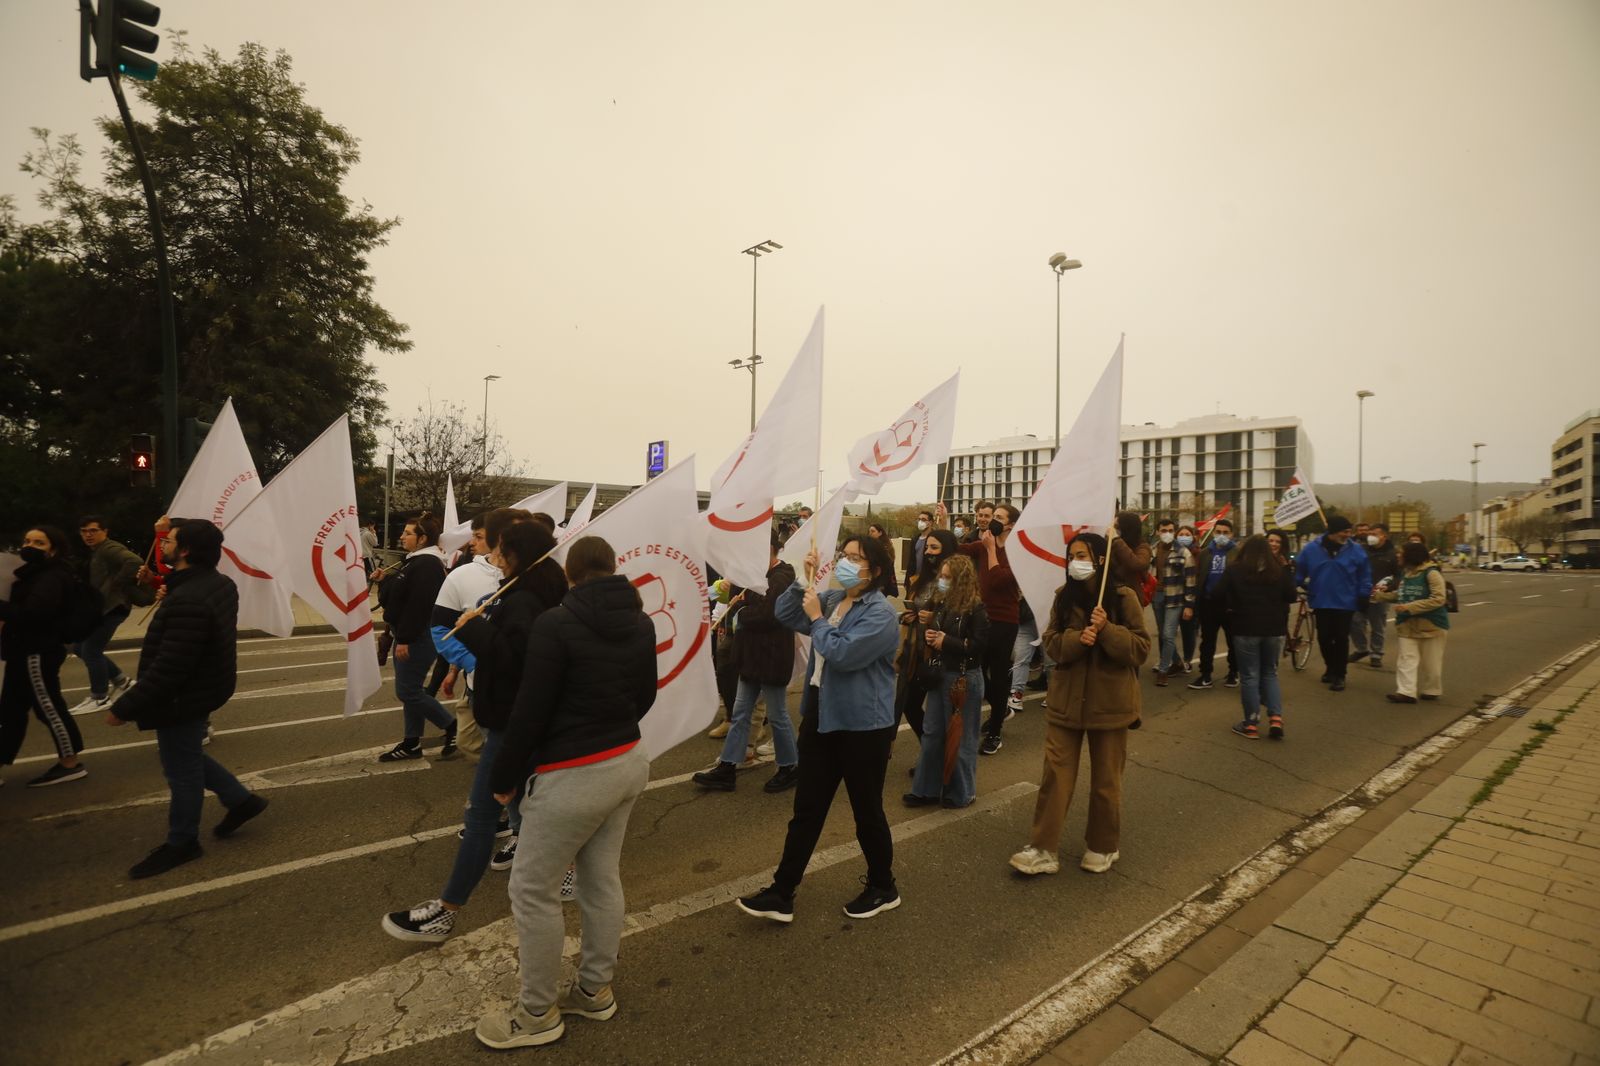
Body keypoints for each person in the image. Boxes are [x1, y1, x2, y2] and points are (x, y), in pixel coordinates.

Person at [474, 536, 656, 1049]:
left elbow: (529, 711)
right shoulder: (640, 621)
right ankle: (595, 990)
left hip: (573, 771)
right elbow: (645, 694)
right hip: (627, 759)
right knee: (601, 880)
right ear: (613, 568)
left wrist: (503, 778)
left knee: (532, 890)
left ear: (571, 574)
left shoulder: (555, 624)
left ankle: (536, 1013)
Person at [383, 520, 568, 943]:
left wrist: (475, 627)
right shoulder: (533, 592)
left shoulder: (524, 601)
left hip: (510, 723)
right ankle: (565, 873)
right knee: (530, 809)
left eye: (500, 550)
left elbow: (514, 663)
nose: (493, 557)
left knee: (482, 816)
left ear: (517, 555)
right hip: (514, 720)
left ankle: (446, 911)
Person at [736, 534, 901, 924]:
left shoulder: (881, 614)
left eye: (855, 559)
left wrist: (815, 619)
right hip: (822, 718)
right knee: (807, 810)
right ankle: (782, 891)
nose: (845, 563)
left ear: (875, 570)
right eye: (843, 556)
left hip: (863, 728)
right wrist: (801, 581)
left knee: (867, 812)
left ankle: (883, 885)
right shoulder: (832, 600)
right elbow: (786, 614)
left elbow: (842, 654)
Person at [106, 519, 268, 879]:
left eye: (171, 540)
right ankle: (242, 801)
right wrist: (167, 587)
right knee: (188, 754)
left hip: (183, 695)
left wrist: (125, 706)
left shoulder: (189, 598)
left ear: (186, 551)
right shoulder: (217, 585)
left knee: (181, 771)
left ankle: (183, 842)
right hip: (205, 687)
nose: (163, 544)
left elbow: (170, 666)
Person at [1010, 532, 1149, 876]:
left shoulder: (1122, 596)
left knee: (1106, 781)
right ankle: (1043, 848)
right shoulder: (1062, 597)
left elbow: (1140, 649)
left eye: (1083, 555)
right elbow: (1053, 645)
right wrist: (1078, 638)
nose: (1076, 562)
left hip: (1110, 705)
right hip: (1066, 703)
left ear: (1100, 559)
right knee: (1055, 776)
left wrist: (1106, 630)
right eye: (1072, 555)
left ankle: (1103, 845)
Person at [693, 532, 801, 793]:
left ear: (771, 550)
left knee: (777, 715)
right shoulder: (752, 575)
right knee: (740, 713)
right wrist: (736, 602)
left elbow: (768, 614)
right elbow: (739, 604)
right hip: (750, 656)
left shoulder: (782, 576)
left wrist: (740, 612)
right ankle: (728, 766)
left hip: (772, 657)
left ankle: (789, 766)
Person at [0, 525, 89, 787]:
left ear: (54, 550)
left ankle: (70, 763)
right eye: (27, 540)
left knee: (48, 708)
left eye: (39, 543)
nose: (29, 546)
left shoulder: (52, 577)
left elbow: (33, 615)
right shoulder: (33, 574)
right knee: (10, 711)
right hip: (22, 651)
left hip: (36, 653)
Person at [905, 554, 988, 808]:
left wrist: (946, 641)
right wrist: (930, 632)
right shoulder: (942, 603)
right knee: (932, 734)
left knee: (961, 738)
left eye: (947, 577)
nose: (941, 580)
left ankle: (961, 792)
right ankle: (926, 789)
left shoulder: (976, 608)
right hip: (940, 675)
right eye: (941, 575)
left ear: (961, 580)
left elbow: (979, 645)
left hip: (963, 679)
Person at [950, 502, 1022, 755]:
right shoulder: (981, 546)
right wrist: (939, 525)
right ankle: (1000, 709)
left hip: (1005, 620)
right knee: (977, 667)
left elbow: (998, 580)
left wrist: (992, 549)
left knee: (999, 673)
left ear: (1010, 524)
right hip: (980, 617)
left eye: (999, 517)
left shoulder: (1017, 551)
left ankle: (995, 733)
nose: (993, 520)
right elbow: (956, 549)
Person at [1215, 536, 1297, 739]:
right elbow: (1292, 596)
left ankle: (1250, 723)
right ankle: (1276, 718)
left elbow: (1216, 593)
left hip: (1245, 627)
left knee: (1250, 676)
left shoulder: (1235, 570)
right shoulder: (1279, 570)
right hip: (1274, 629)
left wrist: (1231, 605)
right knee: (1270, 673)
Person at [68, 514, 141, 712]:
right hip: (103, 609)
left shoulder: (109, 548)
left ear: (104, 532)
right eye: (84, 531)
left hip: (112, 608)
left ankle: (99, 697)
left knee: (91, 650)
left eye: (93, 530)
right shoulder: (97, 551)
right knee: (80, 648)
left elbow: (134, 561)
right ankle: (122, 682)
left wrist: (115, 585)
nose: (88, 535)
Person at [1294, 515, 1372, 692]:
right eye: (1344, 532)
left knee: (1341, 638)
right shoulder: (1311, 549)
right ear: (1333, 532)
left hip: (1346, 603)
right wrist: (1294, 584)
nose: (1347, 535)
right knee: (1324, 638)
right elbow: (1299, 572)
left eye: (1349, 531)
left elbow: (1365, 575)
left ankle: (1340, 675)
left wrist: (1363, 595)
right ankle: (1330, 667)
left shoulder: (1356, 550)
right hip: (1321, 601)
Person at [895, 529, 958, 740]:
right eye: (927, 547)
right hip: (916, 654)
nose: (929, 552)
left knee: (940, 713)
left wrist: (935, 618)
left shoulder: (955, 581)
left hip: (941, 657)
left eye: (935, 548)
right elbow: (914, 607)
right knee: (909, 705)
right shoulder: (919, 579)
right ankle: (930, 750)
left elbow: (962, 618)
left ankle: (940, 759)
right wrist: (907, 616)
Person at [1376, 541, 1450, 704]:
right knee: (1406, 658)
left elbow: (1438, 599)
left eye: (1401, 552)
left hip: (1431, 624)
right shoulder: (1407, 574)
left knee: (1431, 662)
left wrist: (1410, 607)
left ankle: (1432, 690)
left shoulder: (1432, 573)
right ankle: (1406, 692)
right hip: (1407, 624)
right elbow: (1400, 595)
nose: (1398, 555)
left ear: (1411, 555)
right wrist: (1378, 596)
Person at [1187, 517, 1239, 690]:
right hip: (1209, 603)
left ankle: (1233, 673)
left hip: (1231, 605)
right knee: (1207, 641)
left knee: (1233, 641)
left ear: (1232, 534)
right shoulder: (1205, 553)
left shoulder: (1238, 554)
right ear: (1213, 533)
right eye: (1218, 532)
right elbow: (1199, 577)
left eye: (1225, 533)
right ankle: (1206, 675)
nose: (1221, 535)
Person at [1150, 518, 1197, 686]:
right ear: (1157, 531)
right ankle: (1177, 662)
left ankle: (1163, 671)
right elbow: (1149, 574)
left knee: (1169, 634)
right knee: (1163, 634)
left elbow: (1191, 581)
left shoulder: (1183, 552)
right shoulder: (1153, 550)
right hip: (1157, 597)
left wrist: (1189, 605)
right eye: (1163, 530)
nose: (1167, 534)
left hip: (1175, 599)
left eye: (1170, 530)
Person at [1349, 523, 1397, 669]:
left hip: (1380, 596)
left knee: (1377, 626)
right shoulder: (1361, 550)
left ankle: (1376, 654)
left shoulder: (1393, 554)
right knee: (1354, 621)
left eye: (1375, 534)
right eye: (1370, 533)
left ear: (1384, 536)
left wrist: (1388, 587)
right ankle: (1362, 648)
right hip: (1360, 593)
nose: (1371, 536)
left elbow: (1398, 576)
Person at [866, 522, 900, 598]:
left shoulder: (885, 547)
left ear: (880, 533)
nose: (870, 533)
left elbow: (886, 566)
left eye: (873, 531)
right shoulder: (872, 546)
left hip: (881, 581)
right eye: (869, 532)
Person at [906, 509, 934, 589]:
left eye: (923, 520)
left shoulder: (934, 538)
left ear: (930, 522)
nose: (920, 522)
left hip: (928, 579)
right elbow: (911, 561)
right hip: (914, 578)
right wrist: (907, 580)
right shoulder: (915, 539)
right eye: (919, 519)